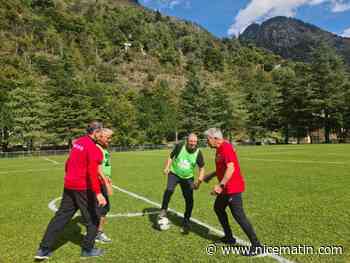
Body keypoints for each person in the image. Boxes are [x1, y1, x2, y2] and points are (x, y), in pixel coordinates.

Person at [34, 121, 107, 260]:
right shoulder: (93, 148)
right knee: (93, 219)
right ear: (96, 132)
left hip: (69, 186)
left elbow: (68, 162)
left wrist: (68, 176)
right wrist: (98, 193)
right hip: (83, 188)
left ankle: (43, 249)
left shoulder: (78, 142)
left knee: (61, 217)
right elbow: (92, 172)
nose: (102, 135)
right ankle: (88, 250)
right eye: (101, 132)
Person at [195, 128, 262, 256]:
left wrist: (220, 185)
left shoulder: (226, 148)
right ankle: (229, 237)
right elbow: (223, 167)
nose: (206, 142)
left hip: (232, 188)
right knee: (218, 208)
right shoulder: (219, 149)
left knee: (239, 216)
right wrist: (212, 175)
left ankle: (257, 245)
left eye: (207, 139)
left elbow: (231, 168)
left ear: (215, 138)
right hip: (226, 188)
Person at [159, 133, 205, 234]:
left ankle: (186, 220)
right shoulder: (180, 146)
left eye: (195, 142)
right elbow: (171, 157)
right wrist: (167, 167)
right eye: (191, 141)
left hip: (188, 178)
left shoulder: (198, 152)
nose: (193, 143)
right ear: (187, 141)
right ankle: (163, 209)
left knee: (189, 199)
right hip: (174, 173)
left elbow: (202, 168)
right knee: (169, 190)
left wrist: (199, 181)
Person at [95, 128, 114, 243]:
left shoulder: (103, 148)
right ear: (100, 137)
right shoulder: (97, 148)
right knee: (103, 208)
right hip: (98, 182)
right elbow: (97, 168)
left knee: (101, 208)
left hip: (102, 180)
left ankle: (96, 231)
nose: (110, 140)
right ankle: (98, 233)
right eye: (108, 137)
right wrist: (105, 182)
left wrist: (107, 177)